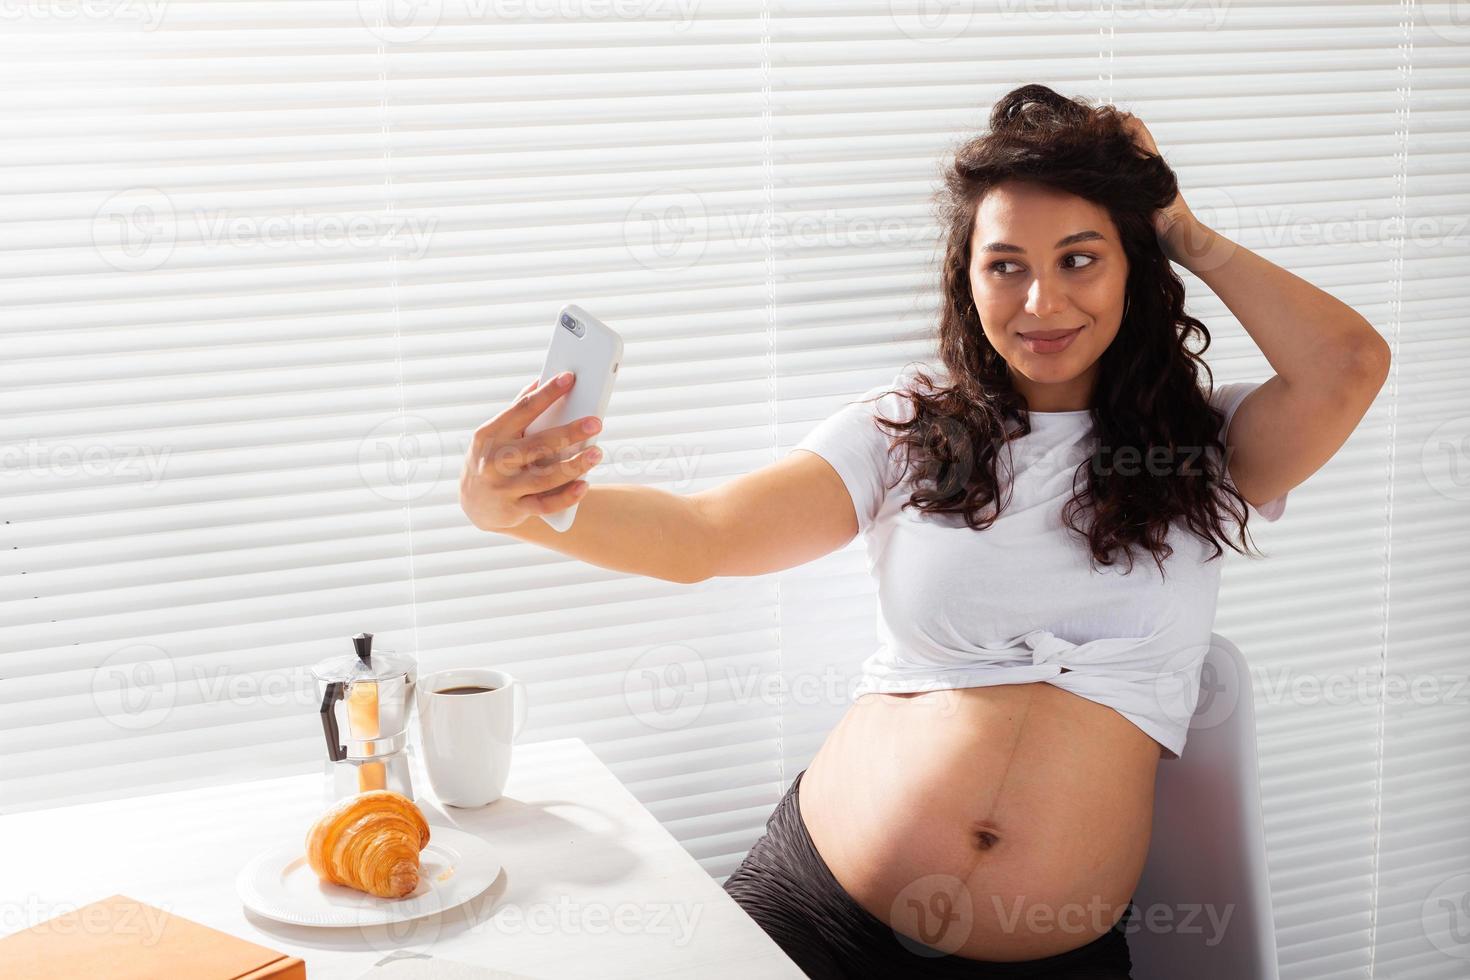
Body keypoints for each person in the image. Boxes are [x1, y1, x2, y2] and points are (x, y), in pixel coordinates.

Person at [458, 84, 1391, 979]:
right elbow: (706, 535)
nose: (1040, 303)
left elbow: (1348, 365)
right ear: (968, 274)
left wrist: (1180, 226)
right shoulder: (907, 428)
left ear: (1135, 266)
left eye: (1078, 258)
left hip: (1047, 953)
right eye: (1006, 265)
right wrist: (529, 509)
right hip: (817, 909)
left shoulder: (1207, 449)